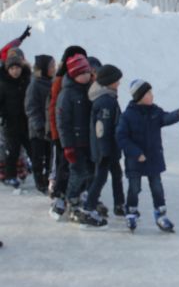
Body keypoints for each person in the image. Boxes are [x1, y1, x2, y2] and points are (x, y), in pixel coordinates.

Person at [116, 80, 179, 232]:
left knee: (157, 188)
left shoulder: (155, 111)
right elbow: (121, 138)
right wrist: (136, 153)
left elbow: (165, 118)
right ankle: (131, 212)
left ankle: (160, 214)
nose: (152, 95)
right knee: (134, 188)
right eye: (148, 93)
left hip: (153, 158)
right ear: (140, 96)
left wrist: (178, 114)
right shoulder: (128, 116)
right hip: (135, 161)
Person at [82, 65, 126, 227]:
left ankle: (119, 205)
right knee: (100, 178)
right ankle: (88, 209)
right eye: (117, 80)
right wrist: (105, 151)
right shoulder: (105, 101)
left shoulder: (109, 97)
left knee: (117, 174)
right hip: (105, 149)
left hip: (109, 147)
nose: (119, 83)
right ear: (109, 82)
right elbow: (102, 128)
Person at [48, 46, 87, 219]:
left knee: (80, 167)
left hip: (80, 135)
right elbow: (54, 108)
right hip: (62, 133)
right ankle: (59, 196)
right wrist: (55, 134)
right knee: (63, 166)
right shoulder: (61, 82)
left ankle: (79, 193)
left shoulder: (85, 81)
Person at [56, 54, 94, 222]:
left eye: (87, 72)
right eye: (81, 73)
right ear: (73, 75)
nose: (85, 76)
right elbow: (63, 123)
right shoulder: (66, 94)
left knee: (90, 172)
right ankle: (71, 199)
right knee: (77, 173)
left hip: (90, 141)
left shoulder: (91, 90)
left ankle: (83, 196)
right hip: (75, 143)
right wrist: (67, 146)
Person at [0, 52, 32, 188]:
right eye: (12, 68)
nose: (15, 71)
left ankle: (38, 175)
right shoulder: (3, 84)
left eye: (17, 68)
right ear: (8, 70)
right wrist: (3, 116)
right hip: (11, 123)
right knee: (12, 151)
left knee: (31, 149)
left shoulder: (26, 80)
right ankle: (10, 176)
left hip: (26, 122)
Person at [25, 55, 55, 193]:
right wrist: (39, 125)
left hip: (50, 128)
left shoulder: (52, 82)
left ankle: (48, 180)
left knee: (50, 156)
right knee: (39, 157)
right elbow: (31, 107)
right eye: (51, 66)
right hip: (38, 129)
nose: (53, 68)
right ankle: (40, 182)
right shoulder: (35, 85)